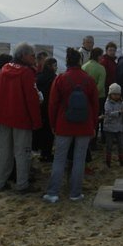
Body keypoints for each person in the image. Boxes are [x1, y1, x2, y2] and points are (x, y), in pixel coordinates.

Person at [43, 48, 99, 203]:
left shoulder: (61, 78)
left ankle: (53, 192)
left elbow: (52, 104)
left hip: (64, 124)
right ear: (80, 61)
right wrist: (93, 125)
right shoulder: (88, 79)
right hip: (84, 125)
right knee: (79, 160)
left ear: (67, 61)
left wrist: (53, 124)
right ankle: (75, 193)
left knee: (59, 159)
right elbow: (95, 105)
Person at [0, 42, 42, 193]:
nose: (34, 58)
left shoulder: (5, 69)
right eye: (32, 55)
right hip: (21, 118)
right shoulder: (27, 73)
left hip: (3, 116)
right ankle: (22, 184)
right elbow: (31, 99)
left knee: (4, 151)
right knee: (22, 152)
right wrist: (36, 121)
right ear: (24, 56)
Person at [82, 47, 106, 148]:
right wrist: (93, 94)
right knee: (97, 119)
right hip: (99, 97)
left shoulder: (84, 66)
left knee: (87, 119)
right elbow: (100, 85)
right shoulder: (101, 68)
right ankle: (93, 142)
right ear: (98, 56)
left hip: (85, 97)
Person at [101, 83, 123, 167]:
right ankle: (108, 161)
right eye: (114, 94)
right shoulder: (107, 103)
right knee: (109, 146)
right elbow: (109, 113)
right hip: (109, 128)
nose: (116, 96)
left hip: (119, 127)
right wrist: (120, 112)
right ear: (110, 94)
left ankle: (122, 160)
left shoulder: (121, 102)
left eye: (118, 94)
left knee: (121, 145)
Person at [35, 56, 58, 161]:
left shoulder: (38, 76)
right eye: (55, 65)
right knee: (49, 132)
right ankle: (46, 153)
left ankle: (39, 151)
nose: (56, 67)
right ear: (50, 66)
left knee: (40, 130)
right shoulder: (54, 78)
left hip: (40, 107)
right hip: (49, 107)